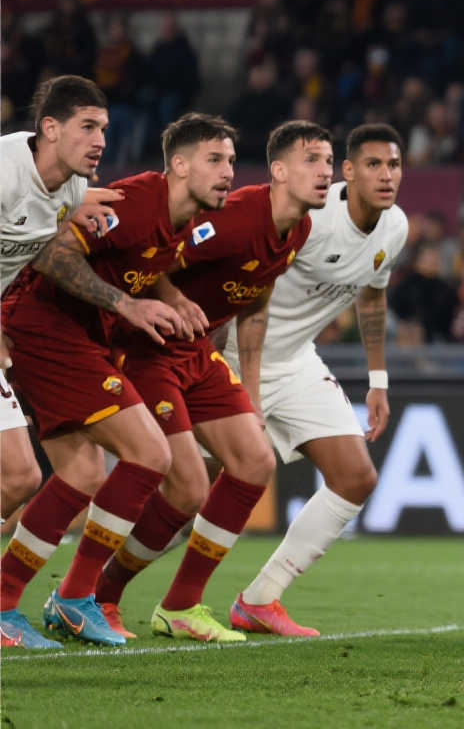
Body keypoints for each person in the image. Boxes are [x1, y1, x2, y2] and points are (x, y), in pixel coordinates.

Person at [91, 121, 326, 643]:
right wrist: (173, 298)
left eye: (329, 162)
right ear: (279, 171)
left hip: (198, 352)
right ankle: (99, 593)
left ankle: (180, 606)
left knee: (255, 461)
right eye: (313, 160)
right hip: (147, 347)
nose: (326, 172)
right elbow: (149, 256)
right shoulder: (232, 219)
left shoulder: (299, 228)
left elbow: (256, 307)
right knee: (188, 486)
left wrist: (253, 396)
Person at [0, 111, 220, 648]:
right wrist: (127, 305)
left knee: (79, 473)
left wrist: (169, 295)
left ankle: (7, 602)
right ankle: (76, 597)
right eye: (216, 159)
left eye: (233, 161)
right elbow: (53, 252)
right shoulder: (137, 201)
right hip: (46, 327)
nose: (229, 172)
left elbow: (146, 260)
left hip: (70, 332)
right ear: (179, 165)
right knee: (149, 454)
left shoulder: (181, 220)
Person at [217, 124, 409, 637]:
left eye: (394, 165)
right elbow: (247, 296)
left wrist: (378, 379)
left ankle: (259, 600)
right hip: (236, 354)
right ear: (349, 171)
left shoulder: (395, 227)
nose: (386, 176)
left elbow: (373, 294)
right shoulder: (312, 216)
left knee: (356, 476)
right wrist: (241, 386)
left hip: (296, 359)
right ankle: (93, 588)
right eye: (373, 164)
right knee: (188, 487)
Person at [0, 77, 133, 647]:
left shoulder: (71, 186)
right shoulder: (5, 170)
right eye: (88, 126)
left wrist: (79, 210)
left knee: (21, 476)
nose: (100, 139)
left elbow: (43, 234)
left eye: (104, 128)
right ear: (49, 128)